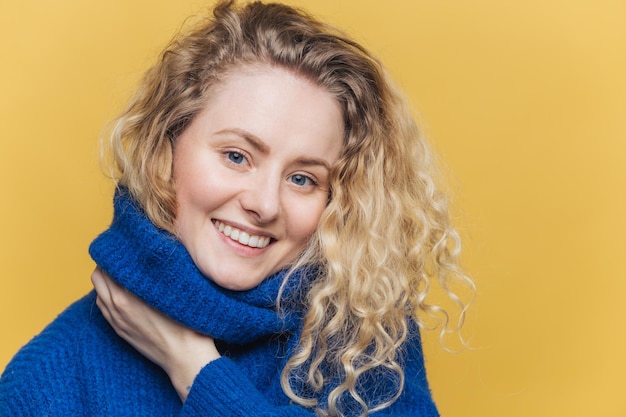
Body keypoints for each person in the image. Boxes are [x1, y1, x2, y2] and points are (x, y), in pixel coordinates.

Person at [0, 1, 473, 416]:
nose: (264, 204)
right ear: (165, 149)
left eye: (303, 178)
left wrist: (195, 371)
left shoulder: (365, 336)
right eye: (236, 156)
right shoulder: (47, 380)